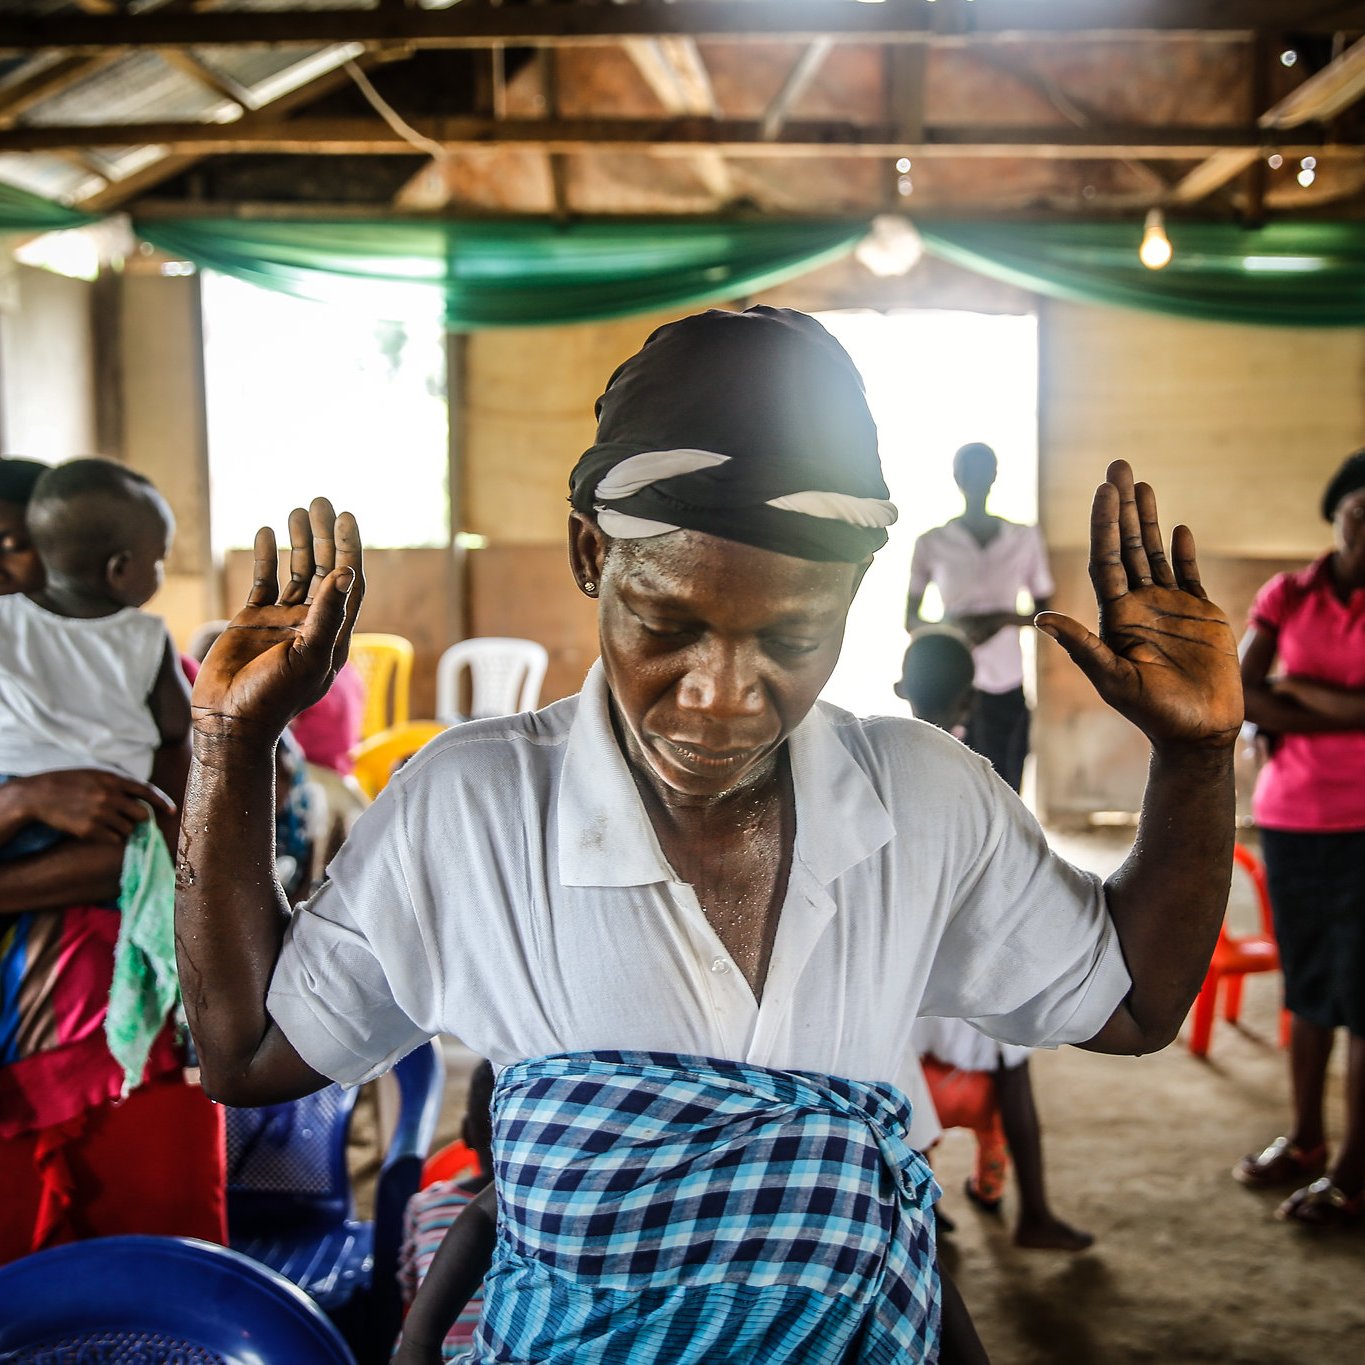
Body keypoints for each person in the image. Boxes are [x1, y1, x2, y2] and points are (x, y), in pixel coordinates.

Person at [177, 307, 1242, 1363]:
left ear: (859, 595)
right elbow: (249, 1052)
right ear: (592, 554)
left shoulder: (926, 801)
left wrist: (1195, 761)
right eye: (670, 625)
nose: (723, 697)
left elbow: (1132, 1000)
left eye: (792, 636)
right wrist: (231, 742)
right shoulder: (470, 808)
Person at [0, 455, 223, 1263]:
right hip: (57, 1011)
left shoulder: (184, 677)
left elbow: (187, 836)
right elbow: (149, 843)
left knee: (147, 1252)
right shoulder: (139, 642)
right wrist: (21, 803)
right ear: (124, 566)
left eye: (12, 544)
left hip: (121, 1032)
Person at [897, 631, 1093, 1252]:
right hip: (973, 969)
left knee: (897, 1084)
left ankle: (919, 1211)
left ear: (901, 690)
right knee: (1015, 1076)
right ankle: (1033, 1212)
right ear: (970, 701)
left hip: (901, 978)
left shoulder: (872, 766)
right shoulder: (980, 782)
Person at [1233, 450, 1365, 1228]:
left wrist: (1296, 697)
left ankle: (1355, 1167)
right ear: (1335, 510)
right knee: (1308, 987)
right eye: (1357, 503)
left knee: (1362, 998)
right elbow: (1243, 693)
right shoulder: (1288, 592)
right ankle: (1308, 1138)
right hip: (1292, 817)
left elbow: (1271, 695)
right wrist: (1352, 709)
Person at [905, 442, 1054, 793]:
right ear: (956, 477)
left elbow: (1045, 614)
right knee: (955, 783)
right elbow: (911, 620)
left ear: (994, 476)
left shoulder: (1023, 539)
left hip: (1006, 679)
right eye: (967, 471)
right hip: (953, 682)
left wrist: (1003, 619)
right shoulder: (933, 542)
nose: (975, 479)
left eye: (982, 470)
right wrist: (952, 627)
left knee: (1007, 781)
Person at [395, 1059, 497, 1361]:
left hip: (431, 1354)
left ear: (465, 1133)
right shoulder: (542, 1208)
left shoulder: (426, 1203)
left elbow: (410, 1291)